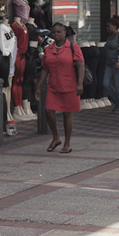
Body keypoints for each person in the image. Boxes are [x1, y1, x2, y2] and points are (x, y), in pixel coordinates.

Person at [35, 22, 84, 154]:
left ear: (65, 33)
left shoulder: (73, 48)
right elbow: (45, 69)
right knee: (49, 110)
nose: (56, 34)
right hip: (53, 85)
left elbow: (80, 65)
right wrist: (39, 87)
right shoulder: (48, 49)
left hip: (69, 85)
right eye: (54, 32)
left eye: (59, 32)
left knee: (67, 113)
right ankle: (56, 137)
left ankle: (67, 143)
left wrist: (80, 83)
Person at [102, 15, 119, 113]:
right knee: (106, 83)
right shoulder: (109, 36)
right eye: (107, 27)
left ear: (115, 26)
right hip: (109, 64)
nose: (107, 29)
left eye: (109, 26)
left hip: (118, 63)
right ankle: (117, 101)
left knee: (118, 85)